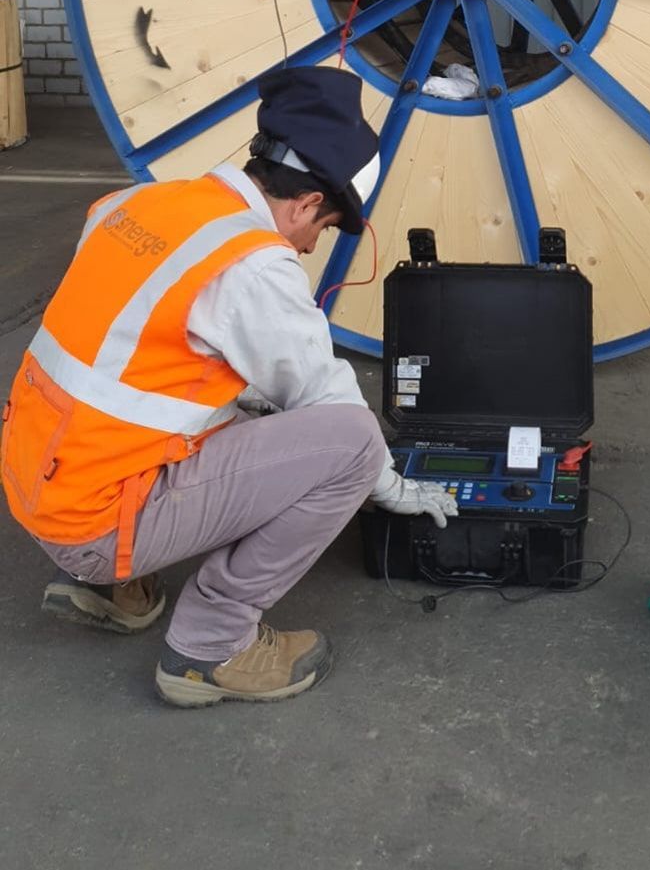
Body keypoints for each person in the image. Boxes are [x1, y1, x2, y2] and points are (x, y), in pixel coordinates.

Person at [0, 65, 457, 708]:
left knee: (249, 410)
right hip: (97, 525)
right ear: (304, 204)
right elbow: (323, 396)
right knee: (351, 444)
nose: (307, 247)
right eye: (321, 230)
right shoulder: (252, 264)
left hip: (39, 480)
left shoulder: (141, 203)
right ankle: (212, 647)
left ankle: (109, 589)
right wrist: (395, 488)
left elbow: (129, 362)